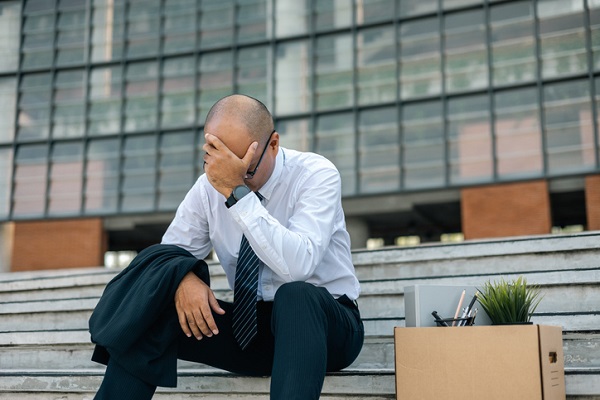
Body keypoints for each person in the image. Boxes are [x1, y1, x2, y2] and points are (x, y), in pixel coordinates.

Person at [90, 94, 364, 400]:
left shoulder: (316, 174)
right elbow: (169, 254)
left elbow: (298, 266)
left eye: (244, 168)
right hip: (252, 332)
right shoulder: (207, 186)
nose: (227, 175)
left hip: (326, 329)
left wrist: (237, 193)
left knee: (295, 295)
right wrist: (184, 278)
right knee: (154, 304)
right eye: (218, 161)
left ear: (273, 144)